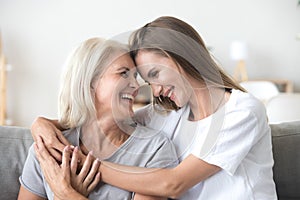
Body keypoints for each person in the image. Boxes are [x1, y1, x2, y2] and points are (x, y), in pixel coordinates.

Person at [31, 16, 277, 199]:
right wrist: (43, 123)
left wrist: (81, 168)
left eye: (155, 74)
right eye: (149, 82)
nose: (155, 90)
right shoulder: (168, 114)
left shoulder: (241, 111)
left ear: (182, 57)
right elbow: (103, 117)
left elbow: (172, 184)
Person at [18, 37, 178, 200]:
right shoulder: (49, 148)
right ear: (90, 82)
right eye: (123, 73)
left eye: (136, 76)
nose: (136, 86)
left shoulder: (153, 149)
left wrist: (67, 194)